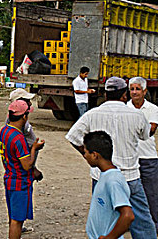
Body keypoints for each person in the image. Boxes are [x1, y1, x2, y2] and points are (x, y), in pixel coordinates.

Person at [65, 76, 156, 238]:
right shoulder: (136, 115)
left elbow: (73, 136)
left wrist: (91, 157)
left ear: (105, 95)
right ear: (124, 95)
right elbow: (145, 135)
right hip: (130, 176)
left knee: (104, 222)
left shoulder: (92, 114)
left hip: (102, 177)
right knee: (142, 223)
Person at [0, 100, 45, 239]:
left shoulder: (5, 130)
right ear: (24, 117)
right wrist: (34, 148)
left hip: (10, 177)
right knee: (17, 221)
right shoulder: (18, 138)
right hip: (19, 182)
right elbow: (27, 165)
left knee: (13, 217)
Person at [83, 131, 135, 239]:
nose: (84, 156)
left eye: (85, 152)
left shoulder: (113, 181)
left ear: (94, 155)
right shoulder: (105, 175)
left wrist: (109, 237)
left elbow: (128, 215)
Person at [128, 76, 158, 234]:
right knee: (129, 194)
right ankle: (129, 223)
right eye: (132, 89)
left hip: (148, 158)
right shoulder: (125, 107)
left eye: (137, 89)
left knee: (151, 194)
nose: (134, 92)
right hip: (130, 158)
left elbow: (150, 131)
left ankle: (154, 226)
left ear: (145, 91)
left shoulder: (152, 109)